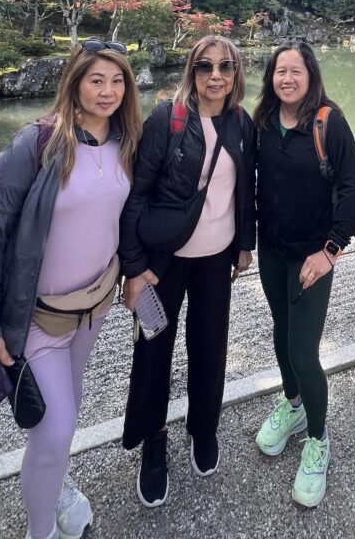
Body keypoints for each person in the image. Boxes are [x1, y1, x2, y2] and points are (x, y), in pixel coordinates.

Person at [0, 39, 143, 539]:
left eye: (117, 81)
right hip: (38, 316)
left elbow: (127, 219)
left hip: (93, 309)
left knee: (65, 411)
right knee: (56, 428)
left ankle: (56, 484)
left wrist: (138, 273)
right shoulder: (38, 143)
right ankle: (39, 531)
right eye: (96, 80)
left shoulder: (127, 140)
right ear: (75, 83)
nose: (107, 91)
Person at [119, 35, 256, 509]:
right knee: (154, 348)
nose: (215, 76)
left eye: (225, 67)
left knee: (209, 344)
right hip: (163, 262)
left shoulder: (240, 122)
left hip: (217, 260)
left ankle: (203, 427)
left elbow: (246, 189)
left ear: (236, 74)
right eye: (205, 66)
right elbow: (137, 194)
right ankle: (153, 439)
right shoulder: (167, 118)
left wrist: (244, 244)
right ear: (191, 71)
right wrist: (133, 268)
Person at [251, 41, 355, 508]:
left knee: (303, 350)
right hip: (271, 251)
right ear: (271, 77)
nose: (287, 80)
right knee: (281, 335)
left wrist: (331, 250)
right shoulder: (260, 122)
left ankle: (318, 438)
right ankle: (293, 408)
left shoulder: (328, 123)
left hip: (312, 255)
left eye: (296, 71)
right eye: (280, 72)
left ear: (310, 75)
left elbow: (351, 188)